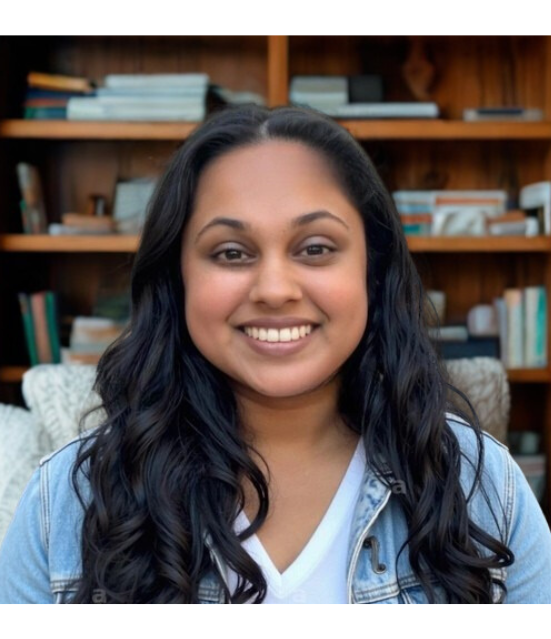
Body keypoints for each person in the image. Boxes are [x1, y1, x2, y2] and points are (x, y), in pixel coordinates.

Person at [1, 104, 551, 604]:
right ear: (178, 278)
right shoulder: (64, 504)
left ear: (372, 269)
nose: (274, 289)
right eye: (232, 252)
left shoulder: (484, 486)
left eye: (315, 248)